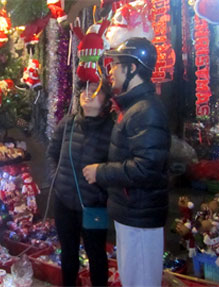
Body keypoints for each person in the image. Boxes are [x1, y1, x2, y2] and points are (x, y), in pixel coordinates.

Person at [82, 37, 171, 287]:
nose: (110, 71)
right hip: (130, 212)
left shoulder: (147, 110)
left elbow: (146, 168)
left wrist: (101, 172)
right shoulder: (134, 107)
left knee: (140, 280)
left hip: (140, 215)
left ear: (132, 69)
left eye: (116, 64)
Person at [47, 80, 114, 286]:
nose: (87, 94)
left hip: (94, 204)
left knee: (96, 256)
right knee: (68, 254)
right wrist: (56, 179)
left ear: (105, 100)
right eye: (84, 90)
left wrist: (103, 192)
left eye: (94, 91)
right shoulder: (68, 123)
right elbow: (52, 153)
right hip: (64, 201)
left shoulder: (112, 129)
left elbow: (116, 166)